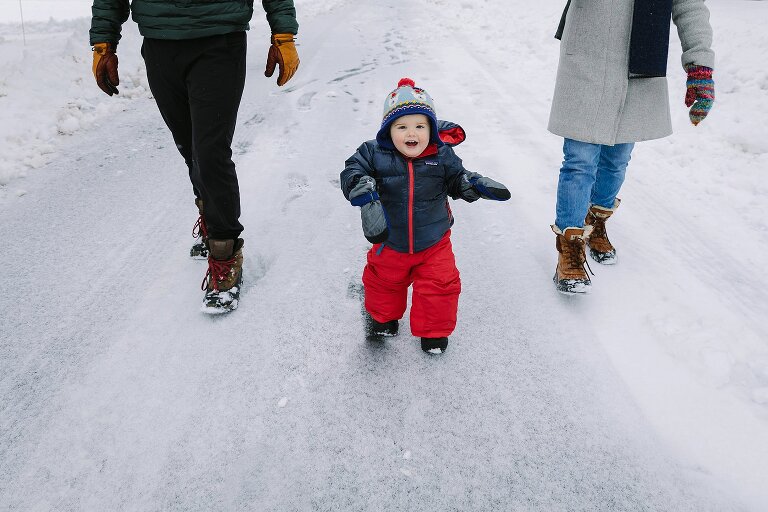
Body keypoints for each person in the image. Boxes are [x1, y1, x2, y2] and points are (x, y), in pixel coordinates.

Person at [89, 0, 300, 313]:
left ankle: (225, 254)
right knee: (189, 146)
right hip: (161, 42)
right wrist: (103, 42)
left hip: (219, 39)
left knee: (210, 150)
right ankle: (211, 216)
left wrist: (282, 34)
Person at [548, 0, 714, 294]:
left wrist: (700, 66)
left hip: (640, 62)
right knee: (580, 160)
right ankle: (570, 248)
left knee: (617, 159)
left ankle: (595, 220)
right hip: (588, 54)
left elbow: (690, 6)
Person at [341, 78, 511, 354]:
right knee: (384, 283)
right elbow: (351, 171)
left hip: (434, 241)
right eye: (402, 127)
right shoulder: (372, 153)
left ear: (431, 129)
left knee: (440, 285)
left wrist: (472, 184)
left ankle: (433, 332)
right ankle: (383, 320)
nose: (412, 134)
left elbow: (456, 178)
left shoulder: (442, 155)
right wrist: (361, 186)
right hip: (389, 239)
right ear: (388, 130)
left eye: (420, 126)